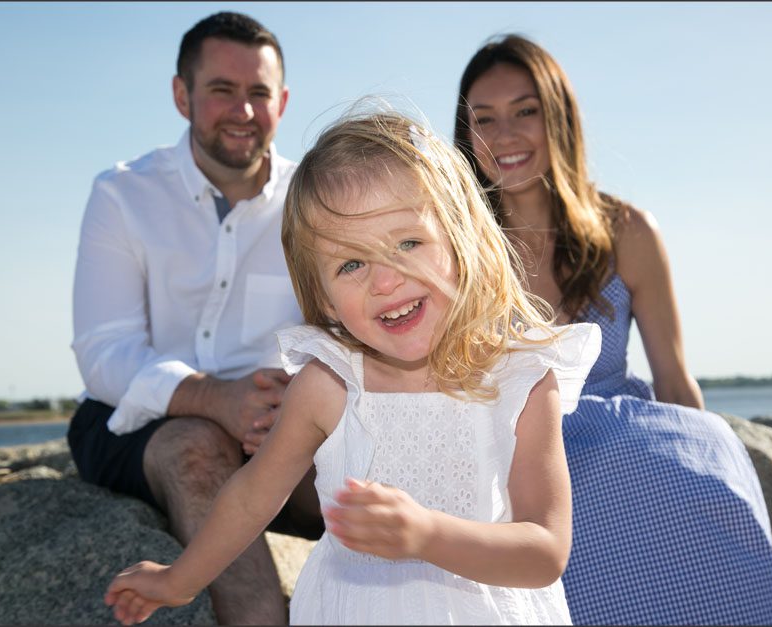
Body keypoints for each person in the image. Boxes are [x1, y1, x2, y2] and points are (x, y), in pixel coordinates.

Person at [102, 110, 602, 625]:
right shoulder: (329, 385)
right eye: (351, 264)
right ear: (324, 299)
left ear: (460, 238)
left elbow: (546, 551)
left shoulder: (522, 381)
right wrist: (178, 581)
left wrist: (427, 535)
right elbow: (251, 498)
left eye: (408, 244)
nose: (384, 281)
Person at [454, 34, 772, 626]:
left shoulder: (627, 232)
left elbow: (675, 382)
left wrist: (703, 459)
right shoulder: (455, 249)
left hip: (620, 440)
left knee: (711, 466)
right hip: (516, 450)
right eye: (484, 119)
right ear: (466, 135)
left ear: (559, 117)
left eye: (525, 112)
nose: (504, 136)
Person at [68, 12, 322, 625]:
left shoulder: (315, 203)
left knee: (363, 475)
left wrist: (290, 406)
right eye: (221, 90)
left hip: (271, 422)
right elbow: (104, 352)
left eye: (259, 92)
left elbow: (340, 333)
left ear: (283, 102)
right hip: (133, 420)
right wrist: (215, 399)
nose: (243, 110)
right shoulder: (122, 194)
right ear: (182, 95)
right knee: (197, 448)